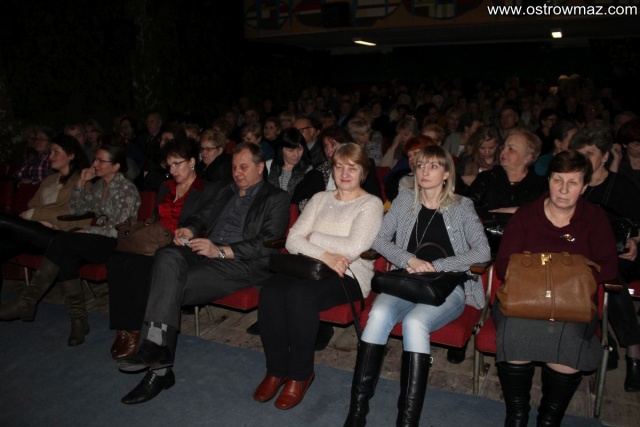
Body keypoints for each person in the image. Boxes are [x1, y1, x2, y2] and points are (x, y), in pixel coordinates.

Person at [117, 142, 291, 404]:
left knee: (167, 285)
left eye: (244, 167)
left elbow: (267, 243)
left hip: (238, 263)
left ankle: (158, 368)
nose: (237, 173)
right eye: (234, 167)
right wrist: (189, 229)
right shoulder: (224, 190)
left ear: (259, 168)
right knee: (166, 255)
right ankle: (157, 351)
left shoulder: (277, 198)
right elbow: (201, 215)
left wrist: (220, 251)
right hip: (205, 251)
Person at [344, 145, 490, 427]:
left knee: (415, 323)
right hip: (406, 281)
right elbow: (379, 240)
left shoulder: (462, 206)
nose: (425, 171)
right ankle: (357, 413)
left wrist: (438, 265)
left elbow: (482, 251)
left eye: (434, 166)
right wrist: (409, 259)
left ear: (446, 174)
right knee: (377, 314)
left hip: (446, 287)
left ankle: (407, 420)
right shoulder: (404, 200)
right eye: (421, 165)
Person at [254, 143, 383, 410]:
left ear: (363, 173)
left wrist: (314, 237)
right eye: (339, 167)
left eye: (352, 168)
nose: (344, 174)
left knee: (300, 295)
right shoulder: (319, 199)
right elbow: (292, 240)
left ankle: (300, 374)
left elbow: (354, 248)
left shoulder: (370, 204)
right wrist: (326, 254)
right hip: (309, 268)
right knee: (271, 289)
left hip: (349, 275)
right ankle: (276, 370)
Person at [493, 150, 618, 426]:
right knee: (513, 329)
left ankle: (549, 419)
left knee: (569, 336)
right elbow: (503, 266)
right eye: (557, 180)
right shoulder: (526, 215)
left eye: (572, 183)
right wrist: (557, 271)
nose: (563, 189)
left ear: (584, 187)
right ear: (548, 180)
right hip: (523, 301)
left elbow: (609, 266)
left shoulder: (594, 218)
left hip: (573, 305)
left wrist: (561, 276)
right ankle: (517, 415)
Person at [0, 144, 140, 346]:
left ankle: (27, 301)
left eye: (100, 161)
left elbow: (119, 230)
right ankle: (78, 321)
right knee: (66, 255)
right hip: (97, 238)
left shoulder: (127, 189)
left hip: (116, 242)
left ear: (116, 166)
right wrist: (81, 183)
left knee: (63, 240)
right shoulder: (100, 185)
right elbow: (76, 210)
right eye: (95, 159)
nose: (94, 164)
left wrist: (88, 231)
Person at [107, 139, 214, 360]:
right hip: (156, 241)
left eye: (177, 164)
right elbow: (156, 216)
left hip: (181, 247)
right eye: (169, 165)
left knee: (139, 265)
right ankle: (123, 327)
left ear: (192, 162)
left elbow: (206, 224)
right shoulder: (166, 187)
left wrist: (185, 234)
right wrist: (148, 225)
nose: (172, 170)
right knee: (117, 260)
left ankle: (136, 329)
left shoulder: (206, 190)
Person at [570, 127, 640, 391]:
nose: (584, 159)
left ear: (605, 156)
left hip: (622, 253)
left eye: (590, 153)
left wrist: (635, 240)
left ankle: (634, 353)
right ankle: (604, 341)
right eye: (580, 154)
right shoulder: (574, 184)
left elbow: (638, 226)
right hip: (584, 255)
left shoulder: (622, 186)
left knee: (611, 277)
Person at [0, 135, 91, 287]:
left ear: (71, 155)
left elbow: (78, 216)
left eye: (56, 152)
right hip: (36, 232)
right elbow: (32, 204)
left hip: (58, 236)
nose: (50, 157)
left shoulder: (82, 181)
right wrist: (40, 218)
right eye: (50, 153)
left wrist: (37, 215)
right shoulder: (49, 180)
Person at [467, 128, 547, 218]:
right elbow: (467, 208)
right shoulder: (486, 179)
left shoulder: (539, 186)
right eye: (503, 147)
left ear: (527, 158)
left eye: (511, 149)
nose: (503, 152)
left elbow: (543, 214)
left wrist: (515, 210)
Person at [314, 126, 382, 200]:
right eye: (325, 146)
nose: (328, 150)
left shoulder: (363, 164)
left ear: (345, 145)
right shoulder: (320, 169)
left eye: (333, 145)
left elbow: (375, 197)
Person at [266, 127, 322, 204]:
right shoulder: (269, 166)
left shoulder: (309, 171)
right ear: (281, 149)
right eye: (291, 150)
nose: (296, 155)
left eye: (300, 149)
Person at [384, 135, 436, 202]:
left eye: (416, 154)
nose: (411, 158)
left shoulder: (440, 178)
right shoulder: (405, 181)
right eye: (409, 156)